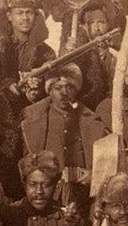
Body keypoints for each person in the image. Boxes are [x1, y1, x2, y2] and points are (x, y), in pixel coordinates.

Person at [20, 62, 109, 208]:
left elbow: (105, 162)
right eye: (58, 88)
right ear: (49, 90)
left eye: (70, 87)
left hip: (82, 196)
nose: (64, 93)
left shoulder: (91, 120)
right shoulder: (33, 120)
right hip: (46, 196)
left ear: (77, 90)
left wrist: (94, 175)